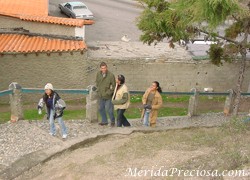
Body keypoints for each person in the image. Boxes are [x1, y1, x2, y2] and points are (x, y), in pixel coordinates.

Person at [95, 62, 116, 126]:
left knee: (109, 110)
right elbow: (97, 82)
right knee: (101, 109)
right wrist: (97, 90)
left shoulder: (111, 75)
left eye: (104, 68)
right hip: (100, 95)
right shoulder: (98, 74)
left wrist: (108, 93)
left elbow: (114, 86)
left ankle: (112, 121)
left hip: (108, 96)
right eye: (102, 68)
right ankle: (104, 121)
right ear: (100, 68)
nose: (103, 69)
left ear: (106, 68)